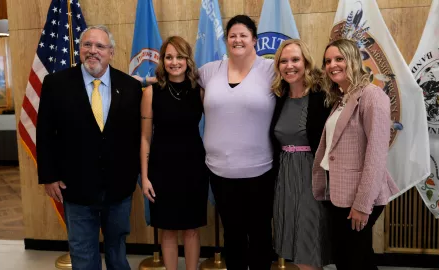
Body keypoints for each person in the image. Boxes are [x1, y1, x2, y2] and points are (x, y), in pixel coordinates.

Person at [36, 25, 143, 270]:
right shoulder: (56, 84)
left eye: (100, 46)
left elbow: (137, 135)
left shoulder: (130, 87)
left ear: (111, 52)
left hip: (118, 189)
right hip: (75, 188)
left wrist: (134, 174)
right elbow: (45, 133)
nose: (92, 51)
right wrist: (49, 176)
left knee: (117, 252)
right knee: (83, 255)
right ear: (80, 49)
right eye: (87, 45)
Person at [312, 38, 400, 270]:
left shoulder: (372, 96)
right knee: (353, 257)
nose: (332, 65)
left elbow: (376, 155)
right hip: (340, 192)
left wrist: (362, 204)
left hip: (360, 196)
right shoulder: (341, 98)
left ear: (353, 60)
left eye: (339, 59)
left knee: (352, 259)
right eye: (328, 61)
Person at [198, 15, 276, 270]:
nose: (237, 39)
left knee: (260, 234)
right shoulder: (210, 70)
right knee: (232, 236)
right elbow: (175, 80)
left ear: (254, 40)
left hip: (260, 170)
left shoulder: (272, 70)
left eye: (243, 35)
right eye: (232, 35)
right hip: (219, 171)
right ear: (226, 40)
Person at [140, 36, 208, 270]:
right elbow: (145, 138)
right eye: (169, 57)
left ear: (188, 60)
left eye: (179, 56)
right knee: (167, 230)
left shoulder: (199, 92)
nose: (174, 62)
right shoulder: (151, 92)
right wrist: (145, 176)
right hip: (162, 169)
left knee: (191, 228)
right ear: (162, 61)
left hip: (194, 167)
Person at [270, 39, 333, 270]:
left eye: (295, 59)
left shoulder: (322, 96)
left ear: (306, 62)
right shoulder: (278, 97)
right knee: (294, 247)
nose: (289, 66)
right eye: (283, 61)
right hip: (284, 179)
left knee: (309, 244)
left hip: (312, 177)